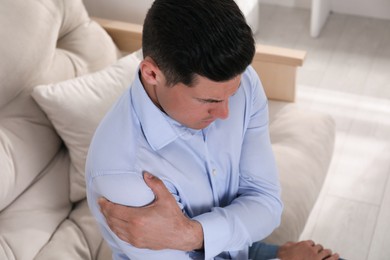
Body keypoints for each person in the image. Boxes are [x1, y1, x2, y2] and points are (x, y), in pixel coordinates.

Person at [86, 0, 340, 259]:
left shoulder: (242, 82)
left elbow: (266, 204)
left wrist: (193, 234)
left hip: (238, 248)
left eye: (232, 94)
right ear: (152, 73)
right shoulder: (122, 172)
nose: (226, 114)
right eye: (209, 101)